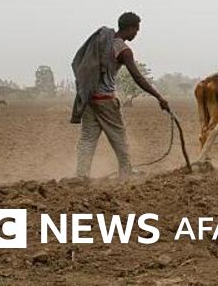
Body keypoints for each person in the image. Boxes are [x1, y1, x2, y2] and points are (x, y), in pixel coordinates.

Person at [71, 11, 169, 180]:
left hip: (88, 97)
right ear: (129, 28)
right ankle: (126, 171)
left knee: (87, 138)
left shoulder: (100, 42)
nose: (136, 34)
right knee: (119, 137)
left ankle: (81, 175)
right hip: (106, 101)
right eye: (136, 30)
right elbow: (138, 77)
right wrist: (159, 97)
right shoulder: (124, 50)